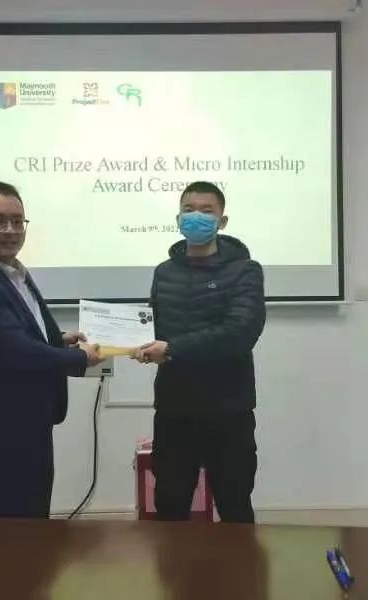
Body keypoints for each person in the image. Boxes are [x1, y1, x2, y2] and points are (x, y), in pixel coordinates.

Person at [0, 181, 102, 518]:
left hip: (28, 424)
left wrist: (58, 340)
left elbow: (16, 334)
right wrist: (79, 358)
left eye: (17, 222)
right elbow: (13, 351)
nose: (10, 230)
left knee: (30, 524)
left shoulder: (12, 272)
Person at [133, 181, 266, 523]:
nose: (196, 217)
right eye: (188, 210)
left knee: (234, 505)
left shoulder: (245, 270)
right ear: (178, 218)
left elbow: (240, 333)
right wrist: (126, 342)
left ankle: (239, 563)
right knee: (170, 504)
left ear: (222, 221)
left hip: (228, 409)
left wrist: (172, 348)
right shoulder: (164, 272)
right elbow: (154, 328)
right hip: (174, 408)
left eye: (207, 211)